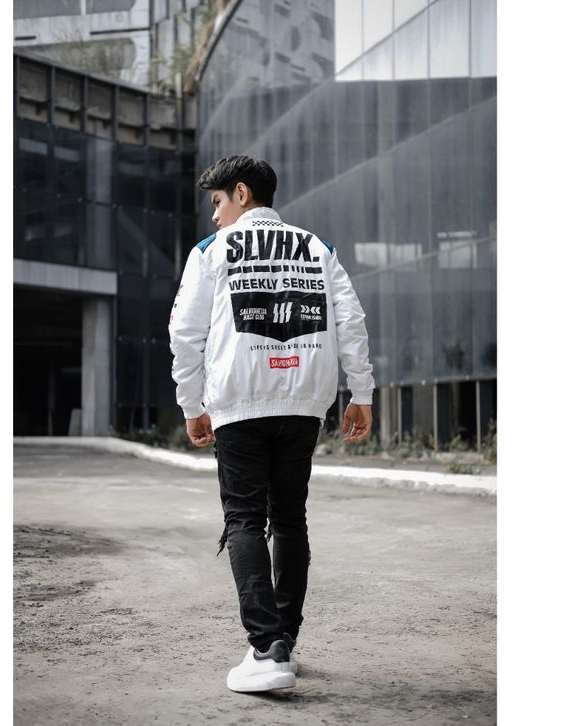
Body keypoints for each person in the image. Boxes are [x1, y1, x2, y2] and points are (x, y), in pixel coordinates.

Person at [168, 155, 375, 693]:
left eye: (218, 202)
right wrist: (361, 393)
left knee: (244, 519)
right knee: (288, 519)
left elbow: (184, 334)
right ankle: (283, 640)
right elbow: (351, 321)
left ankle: (266, 649)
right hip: (304, 403)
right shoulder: (318, 247)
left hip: (239, 403)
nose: (215, 215)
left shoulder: (211, 251)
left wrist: (192, 405)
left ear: (241, 193)